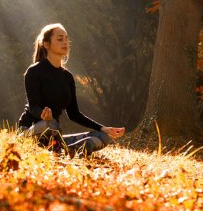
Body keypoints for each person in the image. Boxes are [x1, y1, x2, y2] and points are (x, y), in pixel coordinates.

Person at [18, 23, 125, 156]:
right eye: (60, 39)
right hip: (32, 130)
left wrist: (104, 128)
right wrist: (43, 115)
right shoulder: (34, 71)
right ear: (46, 44)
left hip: (54, 134)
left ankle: (72, 149)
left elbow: (74, 114)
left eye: (66, 39)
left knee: (102, 136)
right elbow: (34, 107)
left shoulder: (67, 77)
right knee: (50, 124)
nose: (65, 42)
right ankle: (58, 150)